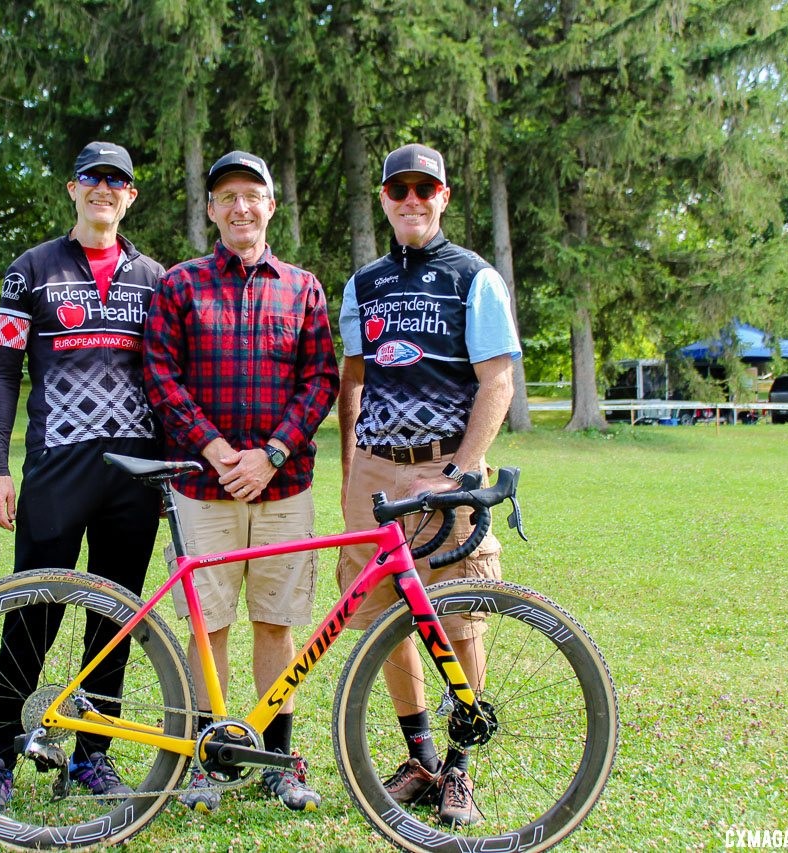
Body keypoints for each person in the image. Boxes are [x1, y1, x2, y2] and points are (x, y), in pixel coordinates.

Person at [143, 150, 340, 813]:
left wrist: (273, 452)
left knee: (277, 623)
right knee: (211, 626)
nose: (239, 208)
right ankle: (212, 755)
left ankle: (276, 757)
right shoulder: (181, 284)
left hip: (284, 488)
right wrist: (217, 447)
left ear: (270, 206)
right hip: (203, 485)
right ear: (210, 211)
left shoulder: (303, 287)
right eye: (226, 197)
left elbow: (321, 380)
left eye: (251, 195)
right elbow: (162, 376)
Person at [335, 143, 521, 828]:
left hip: (444, 469)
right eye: (398, 189)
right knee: (386, 618)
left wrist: (465, 465)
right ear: (384, 199)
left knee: (459, 616)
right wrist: (353, 471)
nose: (411, 200)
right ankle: (418, 758)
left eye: (425, 189)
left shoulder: (474, 277)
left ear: (443, 196)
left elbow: (497, 378)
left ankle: (459, 770)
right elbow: (353, 379)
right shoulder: (365, 282)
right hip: (376, 468)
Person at [0, 141, 165, 808]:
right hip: (55, 466)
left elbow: (169, 379)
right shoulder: (32, 270)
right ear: (73, 188)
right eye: (93, 179)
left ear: (131, 195)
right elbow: (3, 374)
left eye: (117, 181)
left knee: (113, 619)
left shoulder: (156, 279)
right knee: (32, 609)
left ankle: (94, 754)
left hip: (134, 474)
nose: (104, 190)